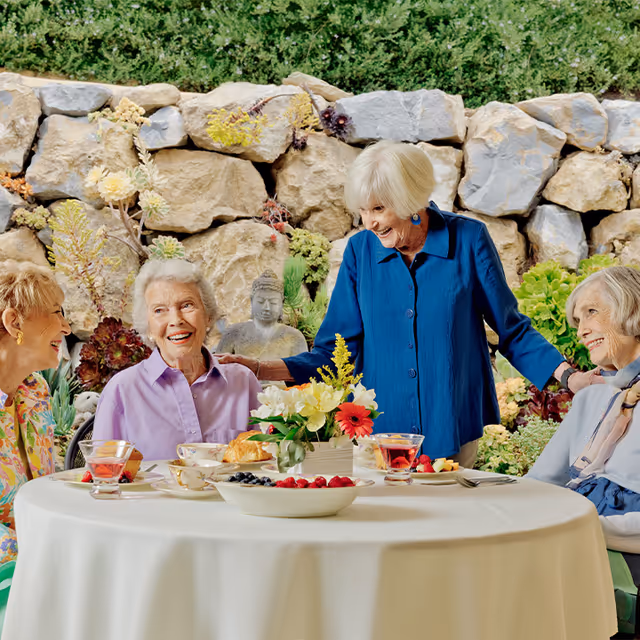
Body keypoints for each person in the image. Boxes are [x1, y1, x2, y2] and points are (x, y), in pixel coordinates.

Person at [219, 140, 597, 467]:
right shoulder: (360, 252)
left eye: (379, 209)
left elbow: (511, 328)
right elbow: (336, 350)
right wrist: (258, 367)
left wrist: (569, 377)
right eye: (363, 211)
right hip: (377, 434)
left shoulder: (468, 241)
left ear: (410, 201)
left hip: (450, 425)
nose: (370, 223)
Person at [93, 259, 261, 460]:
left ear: (208, 316)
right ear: (148, 327)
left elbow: (268, 465)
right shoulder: (122, 390)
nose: (176, 320)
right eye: (159, 310)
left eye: (187, 305)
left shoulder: (243, 383)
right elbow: (104, 479)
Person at [529, 266, 640, 552]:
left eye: (592, 311)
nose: (581, 331)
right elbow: (539, 483)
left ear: (633, 307)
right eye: (578, 321)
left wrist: (574, 527)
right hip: (576, 543)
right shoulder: (591, 398)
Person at [0, 260, 71, 564]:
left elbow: (44, 492)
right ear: (14, 323)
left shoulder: (34, 389)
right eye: (56, 313)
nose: (66, 327)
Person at [216, 269, 308, 363]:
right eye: (260, 302)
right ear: (251, 301)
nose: (266, 308)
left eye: (273, 302)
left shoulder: (295, 337)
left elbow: (303, 372)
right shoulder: (234, 332)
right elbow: (216, 368)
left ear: (282, 303)